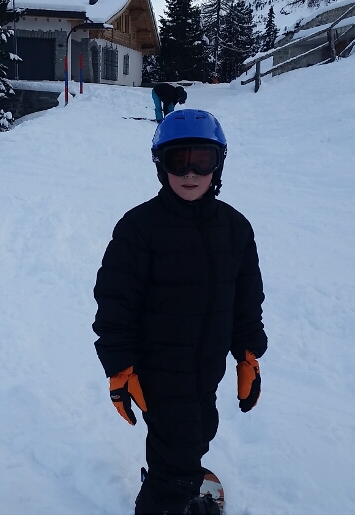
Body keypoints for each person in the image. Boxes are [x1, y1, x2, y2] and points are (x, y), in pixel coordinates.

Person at [92, 109, 268, 514]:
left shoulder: (235, 228)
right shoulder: (139, 228)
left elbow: (246, 298)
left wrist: (247, 354)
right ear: (161, 165)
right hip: (159, 370)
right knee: (178, 452)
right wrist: (120, 367)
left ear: (218, 164)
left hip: (207, 365)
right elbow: (115, 303)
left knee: (201, 429)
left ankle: (173, 480)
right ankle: (166, 499)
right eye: (178, 160)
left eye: (202, 160)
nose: (190, 172)